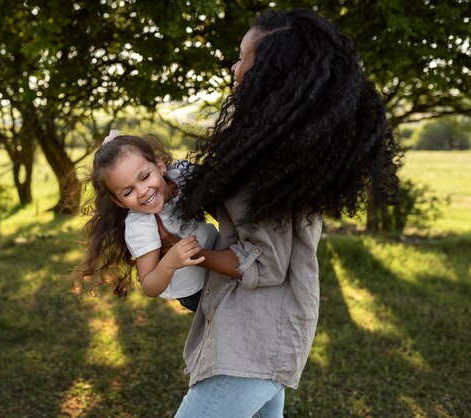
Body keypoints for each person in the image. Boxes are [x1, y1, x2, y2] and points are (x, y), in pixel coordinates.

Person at [156, 9, 401, 417]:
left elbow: (265, 264)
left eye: (242, 58)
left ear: (272, 70)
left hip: (253, 341)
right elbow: (242, 208)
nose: (234, 68)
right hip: (261, 338)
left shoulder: (274, 165)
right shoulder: (282, 155)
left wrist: (182, 250)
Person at [75, 131, 218, 312]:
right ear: (119, 202)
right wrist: (170, 262)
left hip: (221, 261)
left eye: (144, 177)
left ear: (159, 166)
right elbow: (150, 286)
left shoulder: (180, 177)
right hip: (197, 290)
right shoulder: (141, 225)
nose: (142, 191)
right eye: (128, 192)